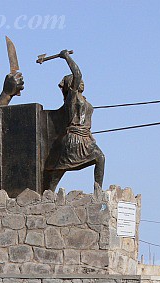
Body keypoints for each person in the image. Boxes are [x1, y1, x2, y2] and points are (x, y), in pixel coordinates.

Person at [42, 50, 105, 192]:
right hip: (74, 138)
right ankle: (49, 191)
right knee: (62, 167)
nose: (81, 82)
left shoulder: (85, 101)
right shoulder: (73, 98)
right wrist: (66, 57)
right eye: (78, 82)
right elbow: (78, 74)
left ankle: (98, 191)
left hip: (85, 138)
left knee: (100, 158)